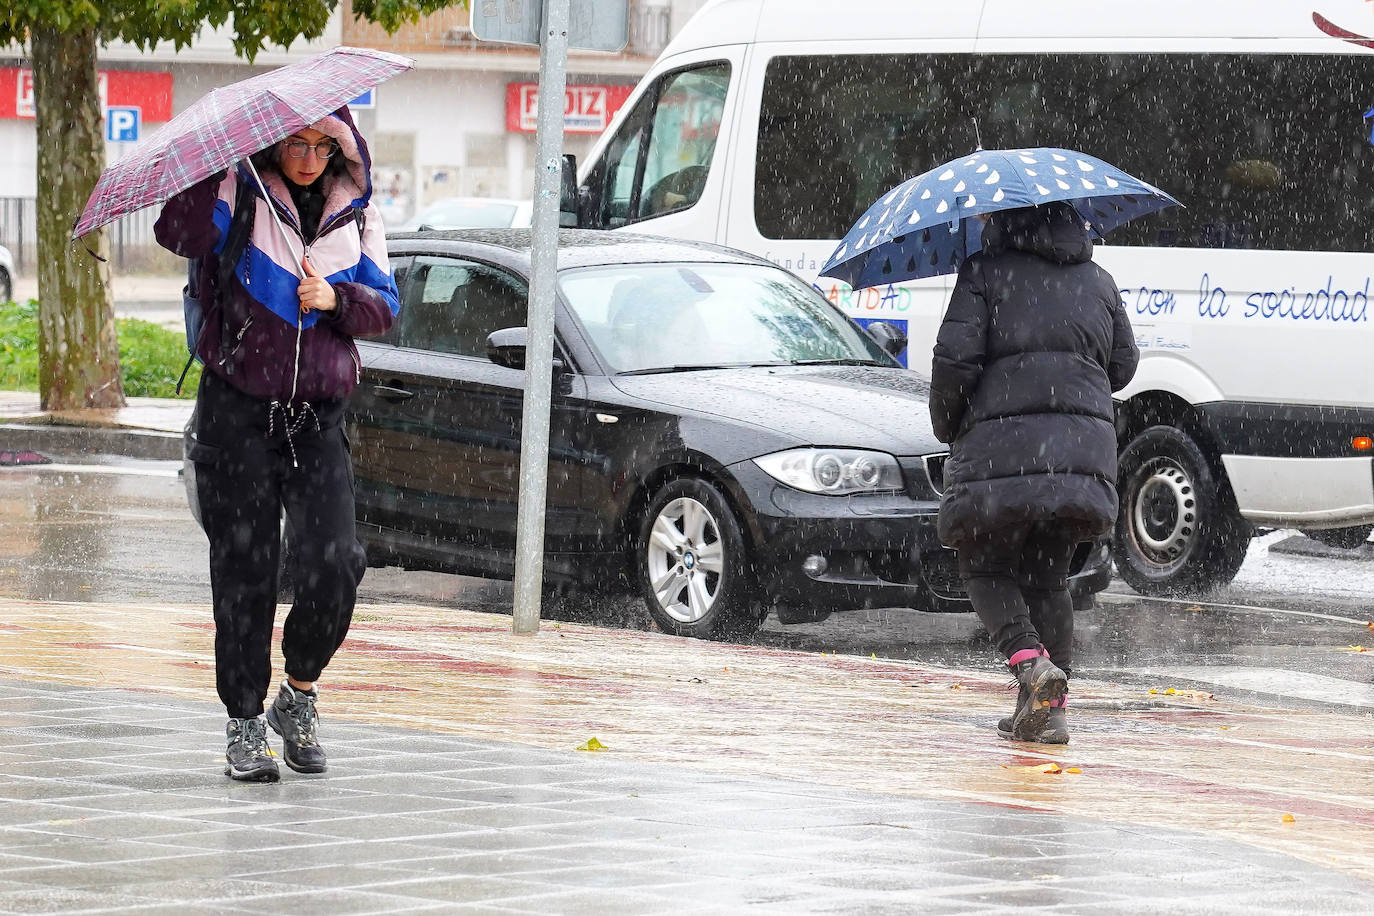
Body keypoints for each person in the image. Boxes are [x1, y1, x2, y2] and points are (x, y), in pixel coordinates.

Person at [155, 106, 398, 781]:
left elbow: (385, 305)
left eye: (325, 146)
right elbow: (179, 233)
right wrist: (209, 171)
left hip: (316, 419)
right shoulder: (241, 191)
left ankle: (299, 690)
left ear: (344, 152)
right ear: (272, 143)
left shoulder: (357, 212)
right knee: (245, 573)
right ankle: (243, 722)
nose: (310, 159)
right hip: (236, 413)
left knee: (335, 562)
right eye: (297, 143)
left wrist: (334, 300)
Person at [929, 201, 1138, 745]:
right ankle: (1050, 712)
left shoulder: (983, 273)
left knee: (984, 568)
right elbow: (1123, 366)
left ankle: (1031, 667)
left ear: (1004, 221)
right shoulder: (1099, 279)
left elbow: (955, 362)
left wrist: (946, 424)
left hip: (1000, 456)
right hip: (1078, 455)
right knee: (1048, 579)